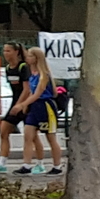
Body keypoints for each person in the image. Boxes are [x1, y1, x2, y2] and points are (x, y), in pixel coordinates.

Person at [14, 46, 62, 174]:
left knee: (50, 137)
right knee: (28, 135)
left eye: (30, 56)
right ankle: (26, 165)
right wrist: (26, 106)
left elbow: (38, 94)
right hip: (34, 107)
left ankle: (57, 166)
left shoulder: (44, 75)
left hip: (45, 107)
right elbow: (31, 92)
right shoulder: (32, 75)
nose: (27, 58)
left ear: (36, 58)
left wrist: (22, 104)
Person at [0, 43, 28, 169]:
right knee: (4, 131)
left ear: (16, 52)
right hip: (15, 103)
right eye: (4, 50)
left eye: (8, 51)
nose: (5, 53)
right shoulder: (8, 68)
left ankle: (36, 163)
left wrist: (20, 104)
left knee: (31, 136)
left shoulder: (23, 67)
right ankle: (1, 163)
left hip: (26, 104)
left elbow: (27, 89)